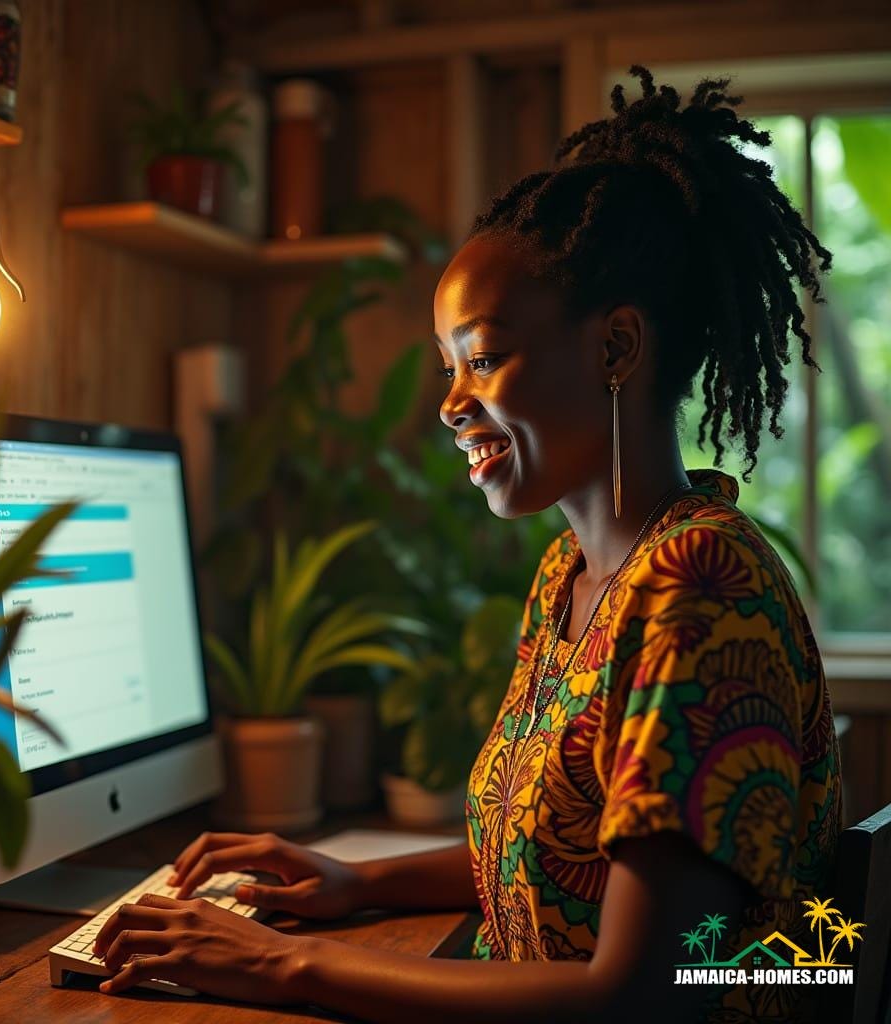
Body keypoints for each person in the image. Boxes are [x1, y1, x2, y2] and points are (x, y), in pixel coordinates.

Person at [93, 65, 842, 1024]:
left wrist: (282, 967)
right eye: (451, 366)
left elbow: (645, 992)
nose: (451, 403)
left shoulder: (699, 585)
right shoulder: (574, 572)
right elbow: (571, 852)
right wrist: (356, 884)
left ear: (617, 348)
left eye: (482, 358)